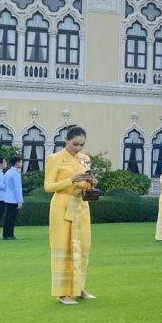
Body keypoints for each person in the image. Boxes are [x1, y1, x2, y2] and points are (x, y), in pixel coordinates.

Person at [43, 126, 97, 304]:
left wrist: (89, 182)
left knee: (82, 246)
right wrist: (71, 179)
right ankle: (63, 293)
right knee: (62, 246)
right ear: (66, 140)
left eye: (81, 145)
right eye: (75, 144)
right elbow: (48, 186)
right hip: (62, 205)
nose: (78, 148)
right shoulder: (55, 159)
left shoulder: (85, 159)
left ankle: (79, 287)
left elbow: (86, 184)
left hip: (81, 206)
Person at [1, 157, 22, 240]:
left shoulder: (8, 172)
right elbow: (17, 188)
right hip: (14, 199)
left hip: (7, 198)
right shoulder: (15, 173)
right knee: (11, 218)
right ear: (17, 163)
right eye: (20, 162)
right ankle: (9, 235)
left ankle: (7, 235)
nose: (22, 164)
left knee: (8, 217)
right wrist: (19, 201)